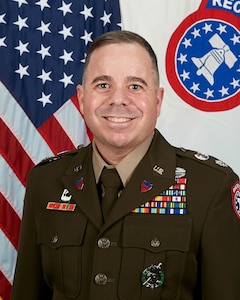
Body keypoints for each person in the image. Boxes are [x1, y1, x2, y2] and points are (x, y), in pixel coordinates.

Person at [11, 30, 240, 300]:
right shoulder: (46, 181)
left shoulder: (210, 187)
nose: (118, 99)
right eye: (103, 85)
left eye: (135, 86)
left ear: (157, 101)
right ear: (82, 99)